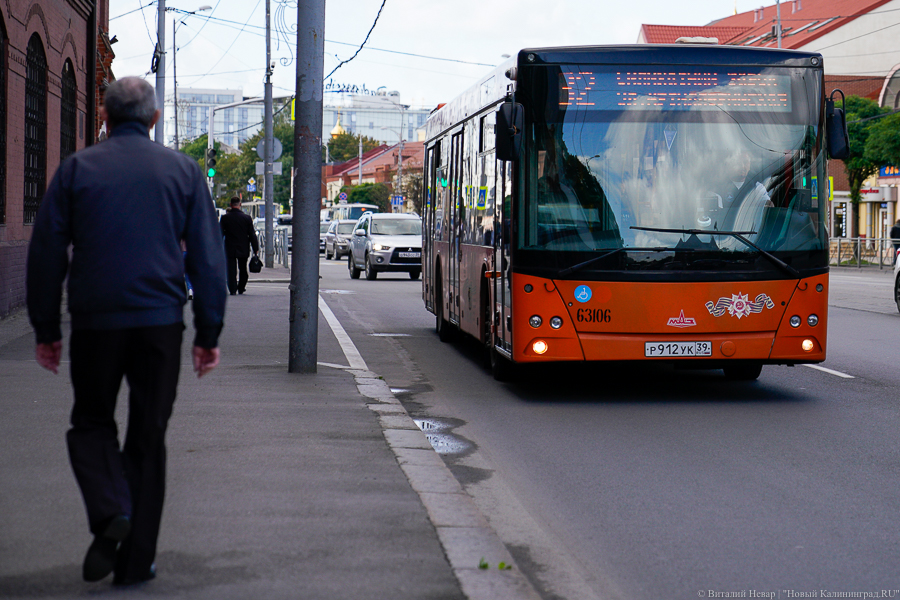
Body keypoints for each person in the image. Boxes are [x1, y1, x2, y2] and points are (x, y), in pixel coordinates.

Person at [26, 77, 227, 586]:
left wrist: (46, 327)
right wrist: (208, 332)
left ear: (106, 118)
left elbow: (47, 250)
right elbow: (207, 256)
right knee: (148, 436)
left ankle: (111, 507)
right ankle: (136, 563)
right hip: (160, 323)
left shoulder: (76, 169)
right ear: (154, 119)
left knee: (91, 423)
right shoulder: (182, 171)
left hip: (96, 321)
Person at [220, 196, 260, 295]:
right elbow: (252, 234)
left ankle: (233, 289)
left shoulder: (225, 218)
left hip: (229, 247)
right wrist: (256, 248)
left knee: (231, 270)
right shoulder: (246, 218)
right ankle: (241, 287)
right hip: (243, 247)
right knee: (243, 269)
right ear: (240, 205)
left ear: (231, 205)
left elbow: (219, 233)